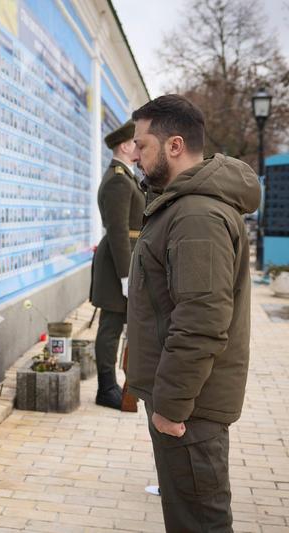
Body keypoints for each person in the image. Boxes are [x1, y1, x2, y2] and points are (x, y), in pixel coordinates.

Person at [127, 95, 260, 531]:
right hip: (186, 401)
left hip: (190, 409)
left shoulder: (197, 214)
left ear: (175, 145)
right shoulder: (182, 205)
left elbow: (202, 321)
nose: (135, 154)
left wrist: (172, 406)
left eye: (142, 145)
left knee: (200, 522)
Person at [89, 121, 146, 409]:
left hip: (124, 262)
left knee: (117, 328)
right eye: (136, 143)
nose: (139, 147)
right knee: (110, 329)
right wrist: (125, 276)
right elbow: (119, 232)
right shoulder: (117, 181)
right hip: (116, 265)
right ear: (124, 146)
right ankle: (106, 388)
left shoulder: (127, 178)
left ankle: (116, 384)